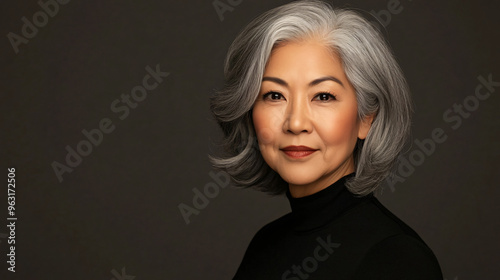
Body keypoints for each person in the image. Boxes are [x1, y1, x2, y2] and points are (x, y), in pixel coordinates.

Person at [209, 0, 443, 279]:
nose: (296, 123)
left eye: (323, 96)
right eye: (274, 95)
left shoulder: (397, 258)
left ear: (366, 117)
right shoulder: (265, 244)